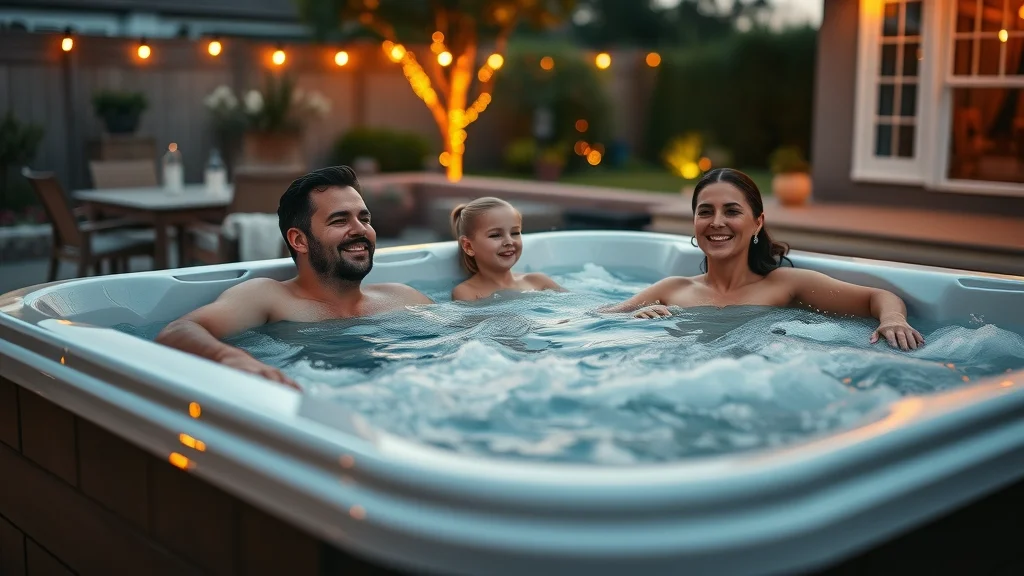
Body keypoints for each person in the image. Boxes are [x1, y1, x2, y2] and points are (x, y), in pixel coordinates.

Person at [155, 166, 433, 388]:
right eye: (340, 220)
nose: (360, 230)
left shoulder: (401, 297)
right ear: (299, 240)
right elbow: (176, 331)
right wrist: (230, 357)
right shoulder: (270, 298)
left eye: (365, 218)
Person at [602, 168, 925, 351]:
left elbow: (878, 298)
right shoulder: (671, 290)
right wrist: (636, 318)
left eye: (731, 211)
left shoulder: (786, 285)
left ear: (757, 222)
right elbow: (592, 319)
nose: (716, 222)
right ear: (695, 224)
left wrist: (893, 320)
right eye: (705, 212)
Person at [450, 197, 566, 302]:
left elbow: (578, 309)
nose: (509, 241)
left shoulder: (538, 281)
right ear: (468, 246)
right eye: (495, 235)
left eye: (515, 233)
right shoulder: (467, 292)